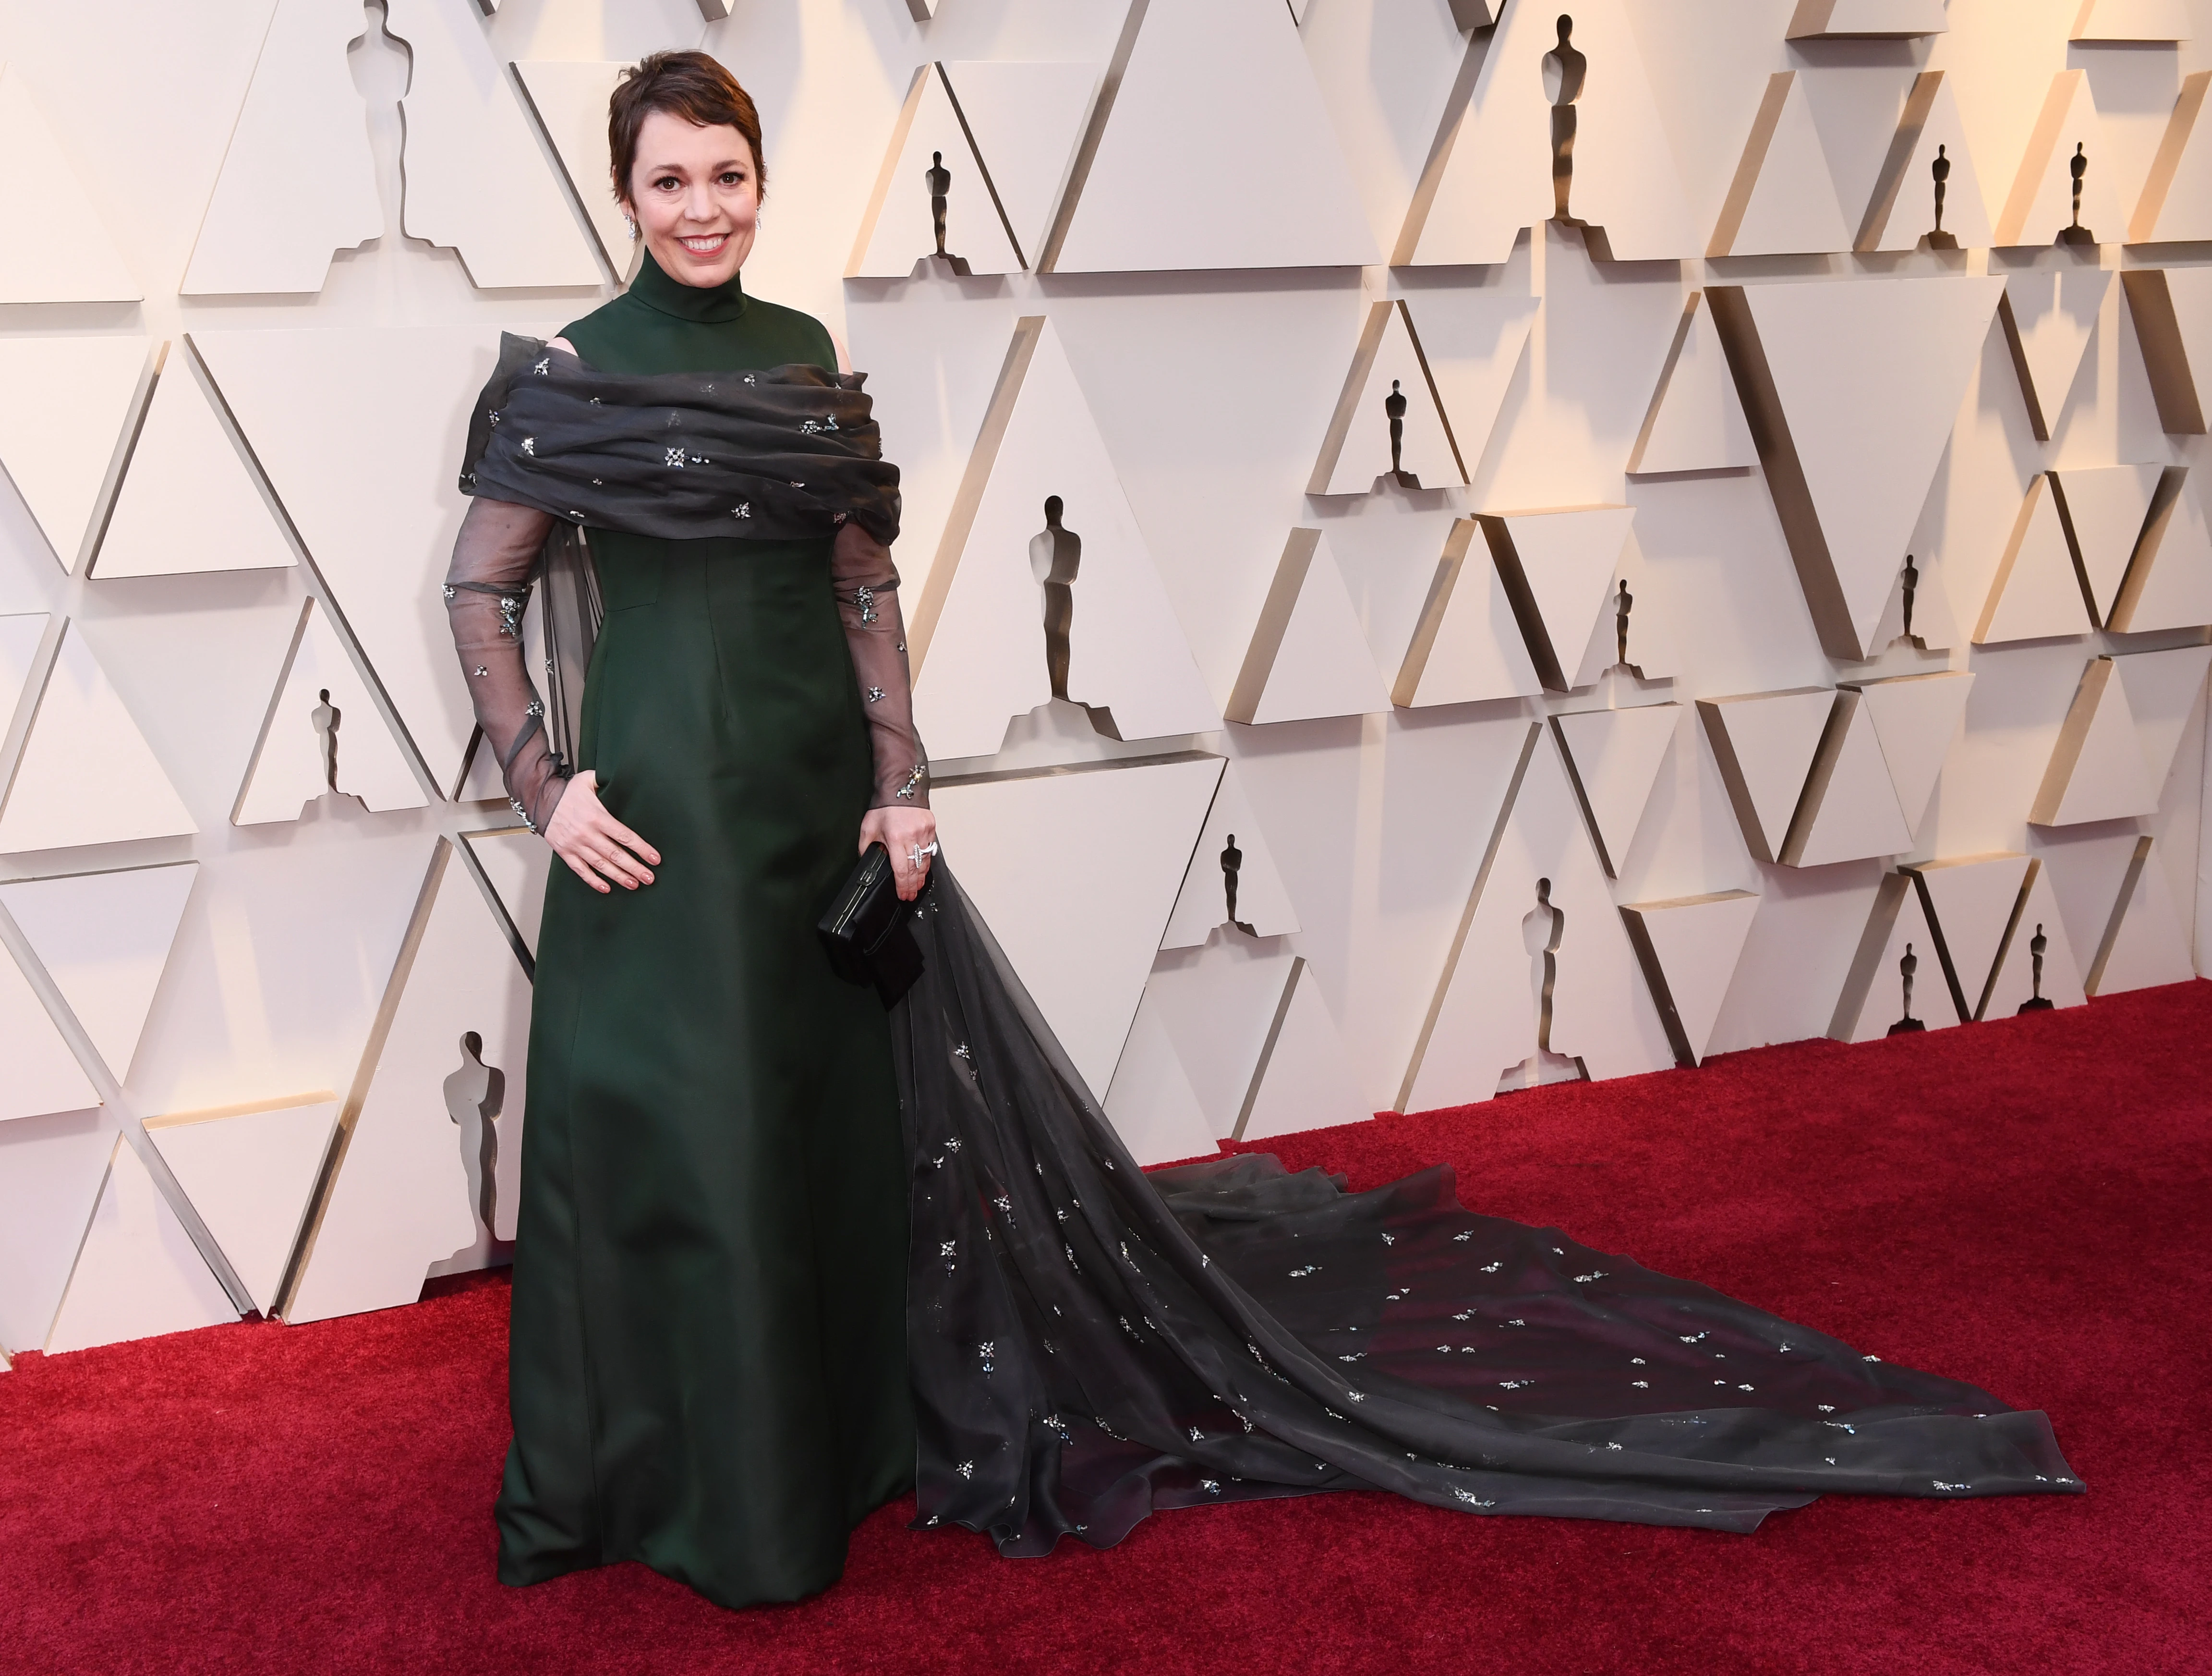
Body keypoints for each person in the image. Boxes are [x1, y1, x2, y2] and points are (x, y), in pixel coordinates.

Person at [449, 50, 2080, 1617]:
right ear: (626, 193)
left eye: (728, 175)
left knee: (819, 1143)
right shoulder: (574, 369)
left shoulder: (805, 347)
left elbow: (860, 584)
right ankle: (689, 1486)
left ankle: (835, 1450)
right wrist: (546, 788)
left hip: (814, 808)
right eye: (671, 180)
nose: (704, 207)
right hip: (651, 830)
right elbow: (482, 587)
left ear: (758, 182)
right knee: (686, 1148)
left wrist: (902, 783)